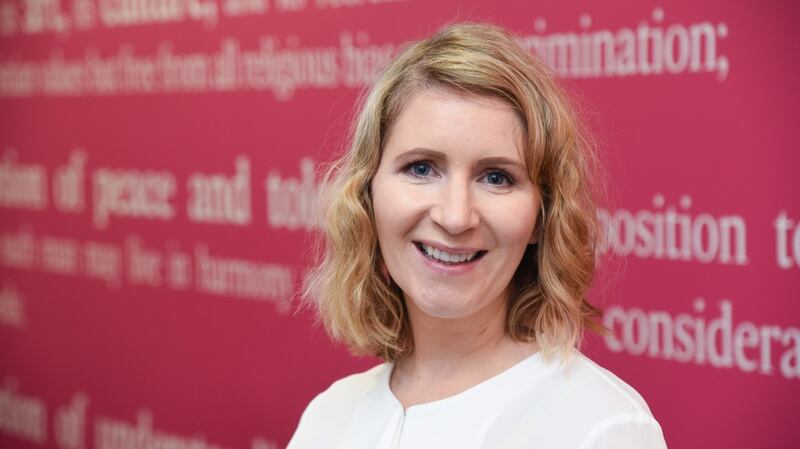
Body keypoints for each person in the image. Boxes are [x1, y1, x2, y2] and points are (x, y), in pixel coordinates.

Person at [288, 22, 668, 449]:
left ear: (542, 216)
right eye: (421, 168)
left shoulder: (600, 428)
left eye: (496, 177)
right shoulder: (329, 415)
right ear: (367, 193)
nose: (455, 217)